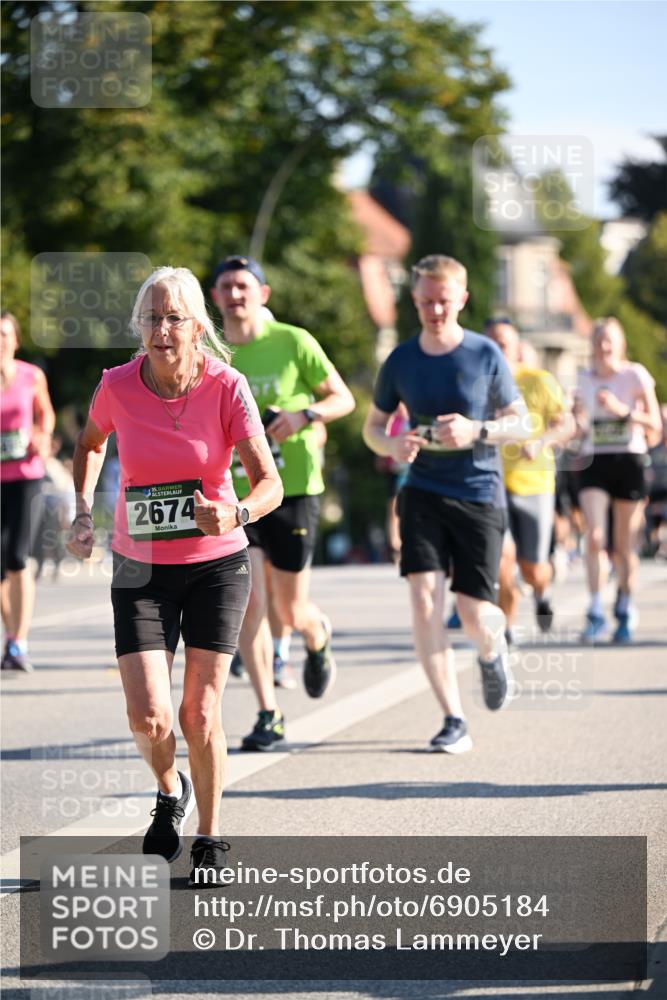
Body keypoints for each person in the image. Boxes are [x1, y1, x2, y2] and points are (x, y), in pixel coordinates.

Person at [66, 267, 283, 881]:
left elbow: (272, 484)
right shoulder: (116, 385)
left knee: (200, 713)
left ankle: (210, 837)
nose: (162, 330)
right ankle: (169, 789)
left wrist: (236, 510)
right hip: (140, 567)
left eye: (175, 318)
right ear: (139, 326)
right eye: (151, 319)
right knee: (149, 717)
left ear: (197, 326)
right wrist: (83, 513)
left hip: (216, 565)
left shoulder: (227, 385)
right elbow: (89, 445)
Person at [363, 255, 530, 753]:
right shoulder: (400, 361)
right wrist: (389, 445)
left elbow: (521, 423)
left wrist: (477, 430)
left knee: (475, 612)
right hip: (423, 492)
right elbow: (373, 426)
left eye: (443, 300)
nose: (435, 309)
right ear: (414, 301)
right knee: (424, 602)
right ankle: (453, 718)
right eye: (425, 301)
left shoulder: (485, 354)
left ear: (461, 299)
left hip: (479, 492)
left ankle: (491, 650)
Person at [211, 255, 355, 751]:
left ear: (262, 294)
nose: (235, 294)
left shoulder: (293, 341)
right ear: (215, 298)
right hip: (237, 494)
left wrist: (304, 415)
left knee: (289, 611)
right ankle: (268, 713)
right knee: (250, 604)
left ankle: (316, 636)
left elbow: (344, 398)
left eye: (243, 285)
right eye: (226, 286)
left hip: (293, 488)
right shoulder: (212, 354)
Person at [574, 317, 661, 643]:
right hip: (593, 461)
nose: (603, 347)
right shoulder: (582, 379)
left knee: (625, 545)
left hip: (629, 460)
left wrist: (622, 410)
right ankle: (595, 609)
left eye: (609, 341)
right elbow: (576, 423)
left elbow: (654, 424)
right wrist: (574, 423)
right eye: (598, 341)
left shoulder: (635, 375)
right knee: (595, 537)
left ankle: (624, 605)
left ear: (621, 344)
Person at [485, 319, 574, 637]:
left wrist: (540, 442)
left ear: (516, 346)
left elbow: (566, 425)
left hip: (534, 482)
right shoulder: (477, 384)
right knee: (501, 561)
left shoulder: (539, 381)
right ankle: (506, 628)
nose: (498, 347)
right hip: (491, 484)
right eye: (491, 342)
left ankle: (541, 592)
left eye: (503, 342)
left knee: (532, 567)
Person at [1, 311, 55, 672]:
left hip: (25, 475)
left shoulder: (31, 375)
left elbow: (46, 415)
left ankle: (19, 641)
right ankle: (11, 637)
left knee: (17, 556)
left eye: (4, 334)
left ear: (16, 340)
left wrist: (42, 436)